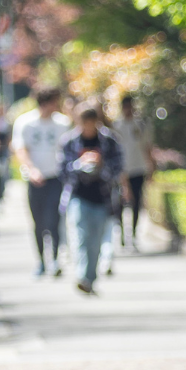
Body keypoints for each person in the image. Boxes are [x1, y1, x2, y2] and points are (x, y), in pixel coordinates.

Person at [58, 104, 123, 294]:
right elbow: (62, 170)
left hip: (103, 197)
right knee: (80, 237)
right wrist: (81, 164)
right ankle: (81, 276)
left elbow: (119, 166)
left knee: (96, 240)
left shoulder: (109, 140)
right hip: (78, 195)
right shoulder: (69, 141)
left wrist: (100, 164)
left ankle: (89, 278)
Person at [11, 87, 69, 276]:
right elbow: (21, 149)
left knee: (54, 218)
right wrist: (31, 169)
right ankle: (41, 261)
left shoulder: (63, 123)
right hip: (35, 180)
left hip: (55, 177)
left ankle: (55, 259)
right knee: (38, 222)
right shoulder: (26, 123)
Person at [116, 94, 154, 251]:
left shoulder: (142, 124)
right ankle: (123, 233)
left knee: (136, 203)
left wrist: (151, 167)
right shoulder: (116, 125)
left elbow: (147, 146)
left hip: (138, 168)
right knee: (119, 203)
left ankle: (133, 234)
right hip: (120, 170)